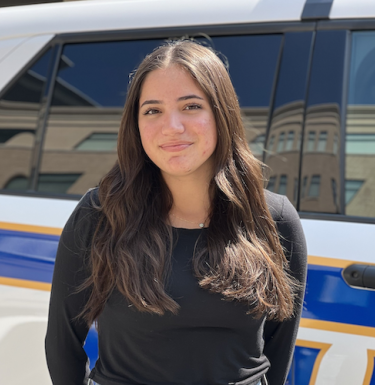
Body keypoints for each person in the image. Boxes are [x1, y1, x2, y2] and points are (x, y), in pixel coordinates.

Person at [45, 40, 307, 385]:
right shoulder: (101, 214)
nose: (172, 126)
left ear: (222, 113)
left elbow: (277, 348)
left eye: (191, 106)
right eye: (152, 110)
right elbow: (62, 343)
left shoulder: (274, 219)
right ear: (135, 125)